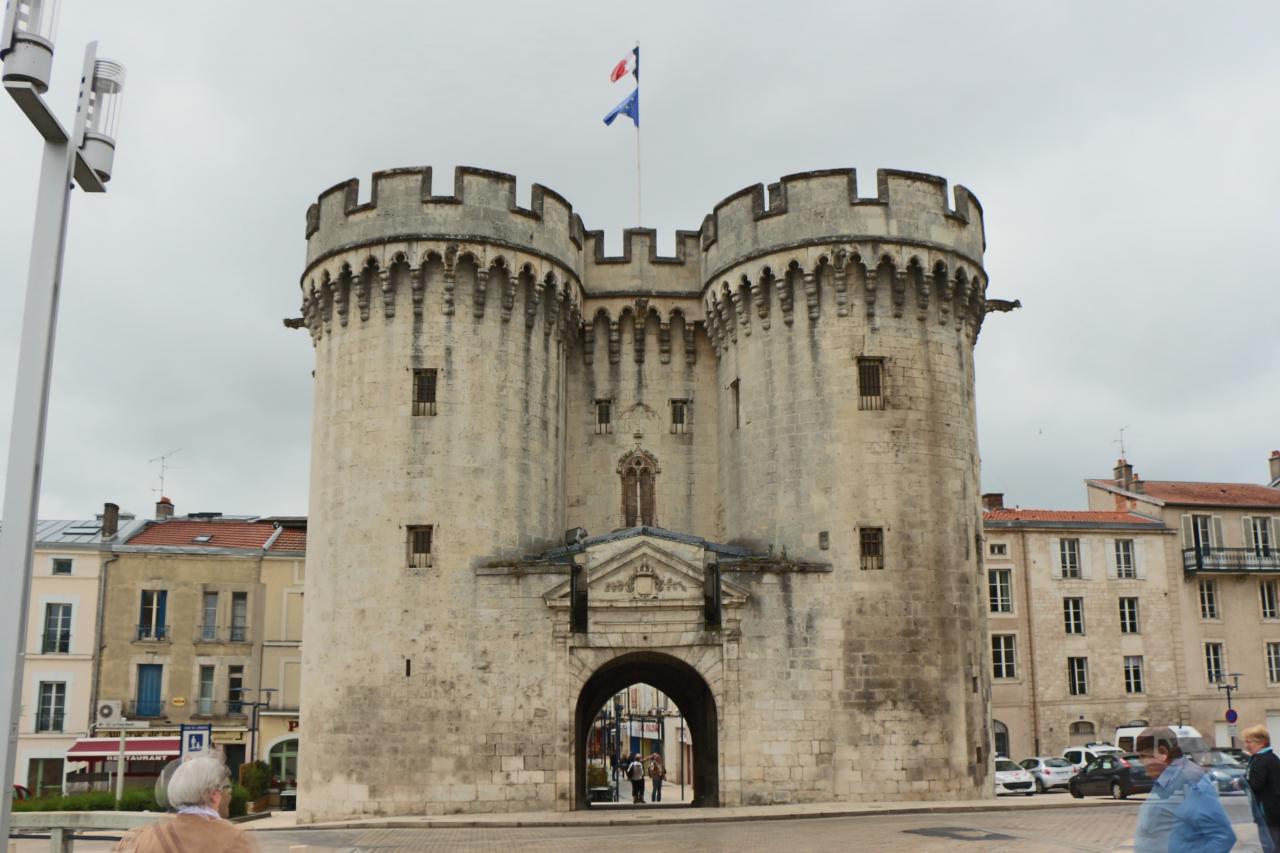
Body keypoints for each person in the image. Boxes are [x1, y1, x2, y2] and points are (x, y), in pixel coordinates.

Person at [114, 753, 255, 852]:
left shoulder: (144, 837)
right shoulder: (233, 838)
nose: (230, 796)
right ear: (214, 794)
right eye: (227, 789)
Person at [1133, 727, 1235, 853]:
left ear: (1162, 753)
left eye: (1144, 756)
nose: (1142, 763)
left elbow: (1222, 837)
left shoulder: (1188, 781)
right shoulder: (1165, 780)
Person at [1244, 724, 1280, 852]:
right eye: (1246, 742)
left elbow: (1255, 784)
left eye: (1250, 742)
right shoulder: (1271, 757)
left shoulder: (1261, 760)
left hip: (1267, 812)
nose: (1247, 745)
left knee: (1270, 845)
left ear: (1262, 742)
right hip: (1274, 811)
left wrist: (1242, 782)